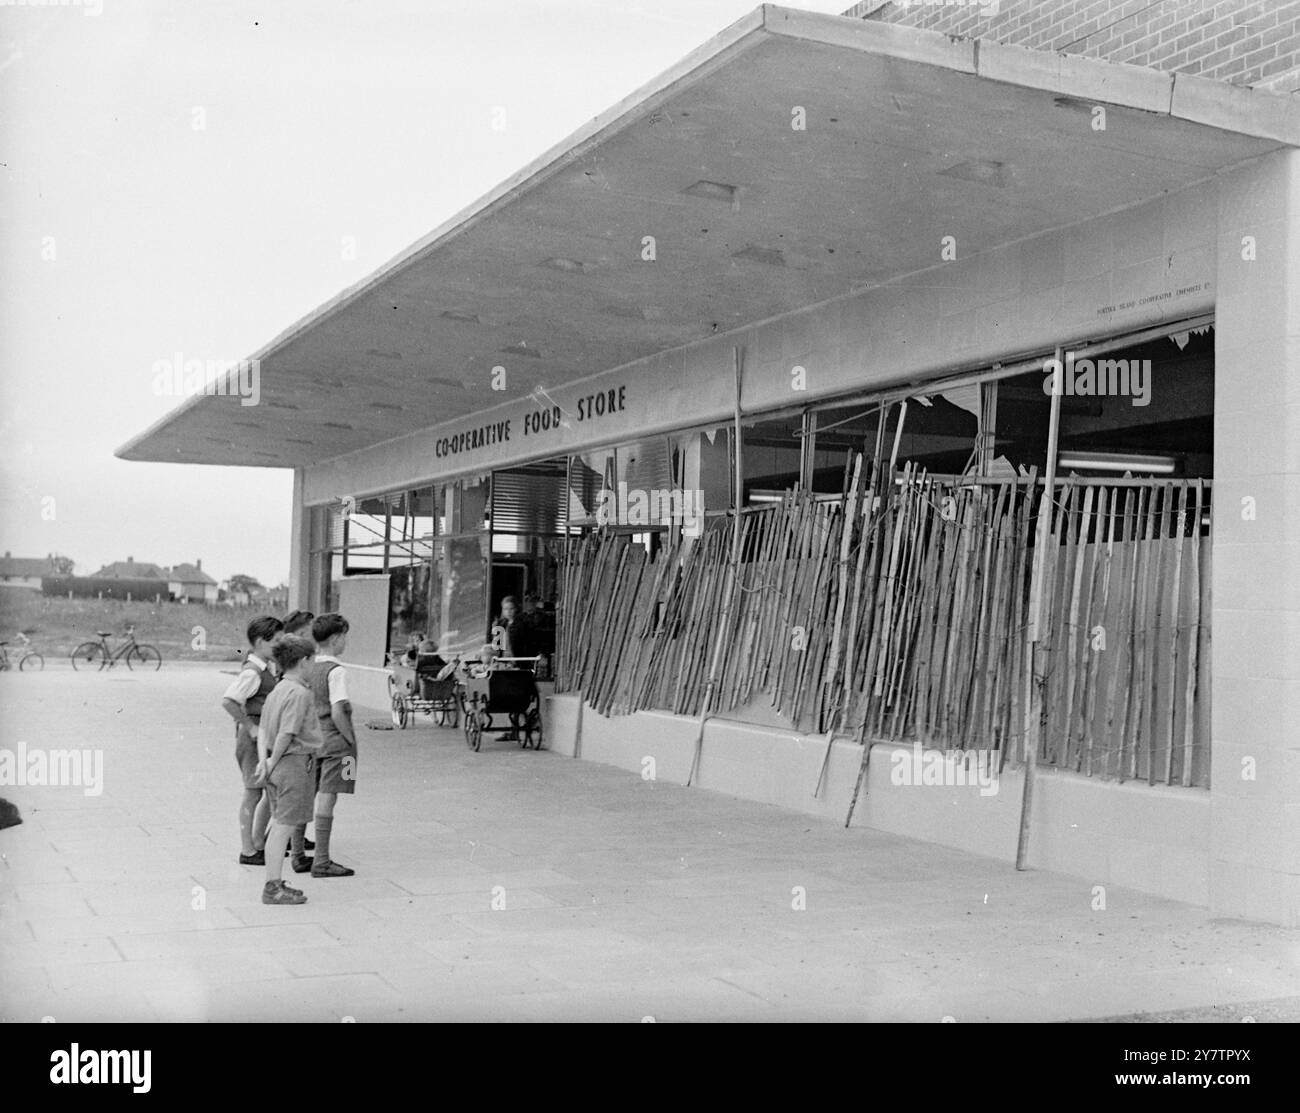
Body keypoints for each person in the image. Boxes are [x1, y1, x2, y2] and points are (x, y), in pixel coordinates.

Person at [255, 634, 322, 905]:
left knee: (279, 825)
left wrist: (266, 760)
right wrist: (274, 760)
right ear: (304, 661)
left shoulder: (277, 689)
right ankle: (272, 887)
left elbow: (262, 730)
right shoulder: (300, 693)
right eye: (312, 660)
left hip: (276, 762)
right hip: (293, 764)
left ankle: (276, 883)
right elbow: (287, 733)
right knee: (283, 828)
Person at [221, 615, 282, 865]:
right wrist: (250, 727)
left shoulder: (264, 667)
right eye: (276, 641)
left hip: (262, 736)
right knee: (253, 792)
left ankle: (257, 842)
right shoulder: (253, 672)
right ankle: (248, 849)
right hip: (253, 738)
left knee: (265, 791)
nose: (280, 646)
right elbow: (228, 701)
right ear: (260, 642)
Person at [307, 613, 357, 878]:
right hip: (334, 741)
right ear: (336, 638)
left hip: (312, 739)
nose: (345, 642)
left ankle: (297, 855)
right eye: (344, 636)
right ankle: (322, 860)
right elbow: (338, 711)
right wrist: (349, 739)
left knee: (308, 793)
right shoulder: (337, 671)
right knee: (328, 796)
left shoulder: (309, 666)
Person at [280, 610, 317, 858]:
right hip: (291, 748)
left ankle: (293, 839)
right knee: (288, 798)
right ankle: (285, 842)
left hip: (288, 746)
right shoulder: (294, 678)